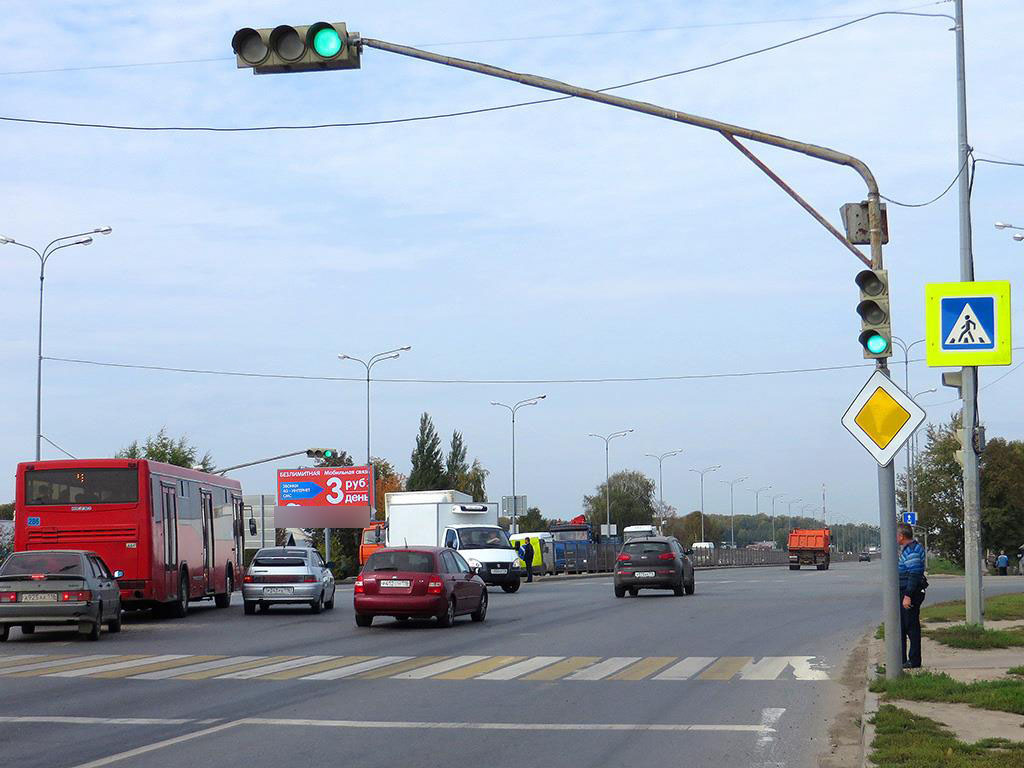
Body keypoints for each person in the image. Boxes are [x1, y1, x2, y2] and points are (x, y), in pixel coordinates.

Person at [897, 523, 926, 670]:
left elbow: (914, 574)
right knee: (902, 626)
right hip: (907, 591)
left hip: (909, 592)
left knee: (910, 627)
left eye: (897, 534)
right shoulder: (911, 548)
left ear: (902, 536)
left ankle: (913, 661)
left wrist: (907, 595)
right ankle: (901, 660)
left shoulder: (912, 551)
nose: (896, 537)